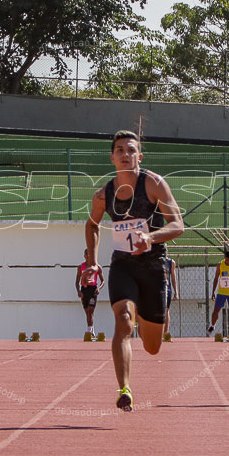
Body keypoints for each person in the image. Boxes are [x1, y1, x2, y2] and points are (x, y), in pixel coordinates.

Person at [84, 130, 184, 411]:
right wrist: (92, 259)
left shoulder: (153, 184)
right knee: (124, 321)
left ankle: (145, 311)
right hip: (123, 265)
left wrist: (150, 238)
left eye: (131, 150)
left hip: (153, 266)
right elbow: (91, 224)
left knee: (152, 346)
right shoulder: (103, 194)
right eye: (120, 150)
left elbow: (178, 224)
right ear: (112, 157)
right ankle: (124, 389)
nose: (125, 154)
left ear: (139, 156)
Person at [76, 248, 104, 337]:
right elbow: (77, 281)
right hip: (84, 289)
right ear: (84, 256)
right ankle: (90, 328)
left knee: (91, 311)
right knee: (87, 311)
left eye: (90, 255)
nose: (88, 256)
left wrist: (99, 288)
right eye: (86, 255)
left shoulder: (97, 267)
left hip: (93, 290)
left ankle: (90, 331)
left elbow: (103, 281)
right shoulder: (81, 267)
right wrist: (78, 291)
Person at [163, 256, 179, 339]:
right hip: (156, 288)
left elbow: (173, 278)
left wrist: (176, 292)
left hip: (166, 288)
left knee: (166, 310)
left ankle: (165, 333)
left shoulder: (170, 262)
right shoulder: (154, 260)